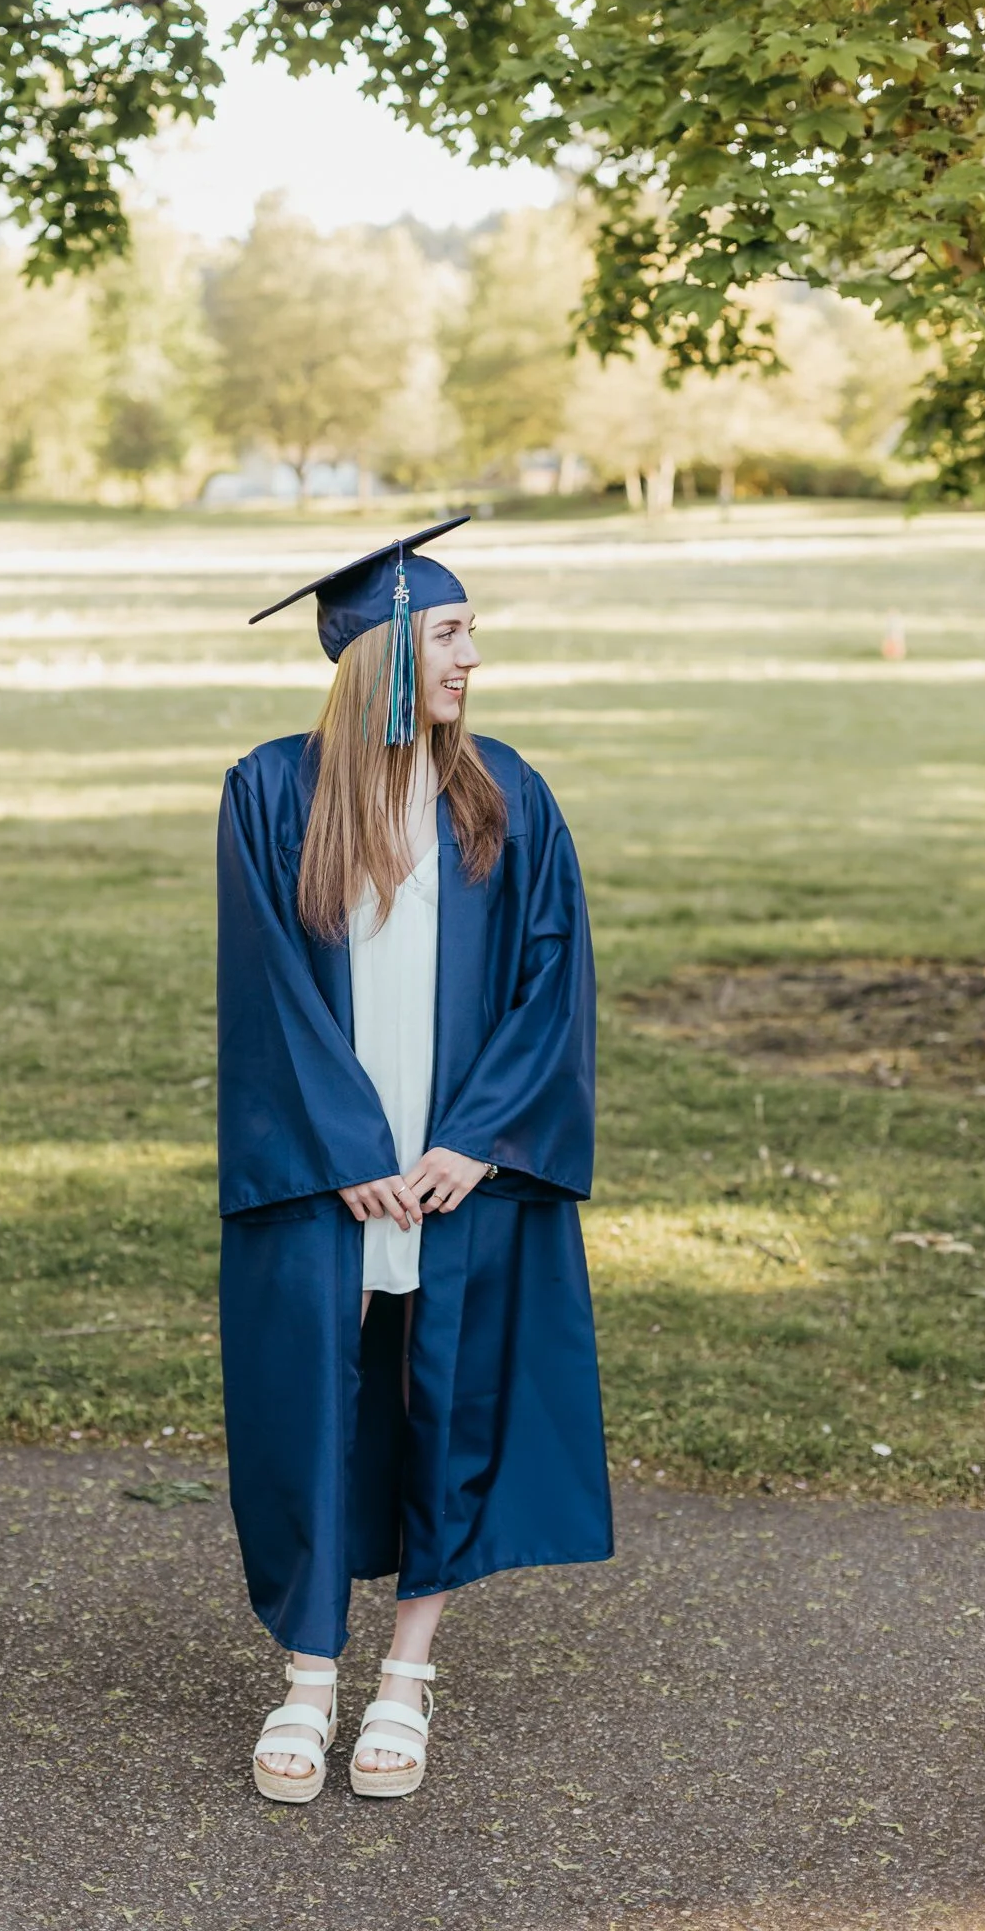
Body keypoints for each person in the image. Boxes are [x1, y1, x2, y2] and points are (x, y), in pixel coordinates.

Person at [216, 517, 612, 1804]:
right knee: (313, 1407)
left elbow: (554, 978)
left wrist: (476, 1140)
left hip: (454, 1173)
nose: (473, 660)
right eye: (451, 633)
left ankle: (405, 1681)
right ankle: (307, 1680)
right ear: (383, 650)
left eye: (471, 634)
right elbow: (267, 992)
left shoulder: (502, 791)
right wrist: (340, 1151)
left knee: (448, 1405)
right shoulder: (271, 791)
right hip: (328, 1173)